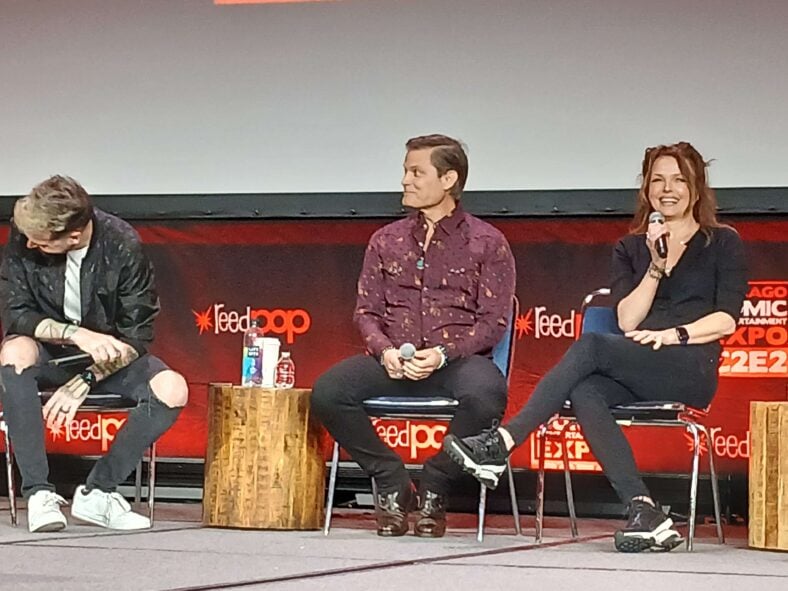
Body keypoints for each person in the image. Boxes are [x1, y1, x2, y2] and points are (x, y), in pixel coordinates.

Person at [444, 141, 747, 552]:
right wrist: (656, 266)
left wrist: (673, 335)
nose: (667, 189)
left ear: (696, 188)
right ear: (646, 189)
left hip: (690, 365)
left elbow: (727, 319)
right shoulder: (631, 248)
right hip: (640, 362)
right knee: (586, 390)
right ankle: (644, 510)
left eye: (679, 180)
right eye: (657, 180)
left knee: (591, 347)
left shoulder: (722, 242)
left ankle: (504, 442)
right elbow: (628, 321)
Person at [311, 134, 516, 538]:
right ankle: (391, 480)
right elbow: (366, 312)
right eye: (406, 171)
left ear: (448, 179)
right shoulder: (385, 240)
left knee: (487, 393)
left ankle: (436, 484)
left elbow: (493, 322)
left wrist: (442, 354)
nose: (406, 180)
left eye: (417, 172)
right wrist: (384, 350)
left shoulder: (488, 242)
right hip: (394, 361)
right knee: (328, 392)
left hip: (457, 363)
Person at [0, 175, 189, 533]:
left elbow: (138, 334)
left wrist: (88, 378)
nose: (30, 244)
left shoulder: (122, 244)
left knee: (172, 388)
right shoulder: (26, 235)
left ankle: (98, 492)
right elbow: (17, 314)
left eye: (41, 242)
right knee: (14, 351)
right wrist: (77, 334)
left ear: (73, 236)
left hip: (109, 359)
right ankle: (39, 493)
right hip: (49, 353)